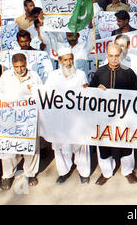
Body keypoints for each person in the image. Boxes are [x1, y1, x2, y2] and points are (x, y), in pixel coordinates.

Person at [89, 44, 137, 185]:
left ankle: (128, 171)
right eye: (110, 56)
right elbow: (90, 93)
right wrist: (96, 89)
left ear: (121, 55)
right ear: (106, 55)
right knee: (104, 144)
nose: (113, 59)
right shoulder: (99, 72)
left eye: (116, 56)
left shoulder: (129, 72)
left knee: (126, 144)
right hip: (104, 117)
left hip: (124, 116)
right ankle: (106, 172)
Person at [44, 47, 91, 184]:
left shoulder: (80, 74)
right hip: (59, 118)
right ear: (59, 61)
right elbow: (46, 94)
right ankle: (63, 172)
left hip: (77, 118)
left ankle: (84, 173)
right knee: (60, 146)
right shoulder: (53, 76)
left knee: (81, 145)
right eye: (66, 59)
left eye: (71, 59)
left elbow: (85, 94)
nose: (69, 62)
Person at [0, 53, 42, 190]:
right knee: (9, 147)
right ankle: (8, 175)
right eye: (17, 67)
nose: (20, 69)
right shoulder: (6, 76)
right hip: (10, 118)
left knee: (31, 147)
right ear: (12, 65)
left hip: (29, 118)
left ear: (26, 63)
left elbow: (41, 96)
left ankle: (30, 173)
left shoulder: (34, 76)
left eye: (22, 66)